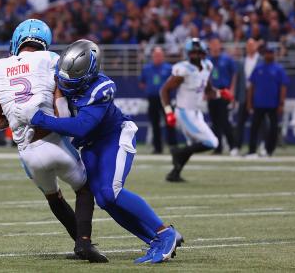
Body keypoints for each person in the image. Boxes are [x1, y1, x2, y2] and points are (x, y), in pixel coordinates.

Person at [16, 39, 183, 264]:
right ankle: (155, 239)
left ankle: (165, 233)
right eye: (62, 76)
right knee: (105, 200)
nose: (63, 82)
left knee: (111, 191)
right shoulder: (60, 74)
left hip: (114, 137)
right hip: (90, 144)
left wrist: (39, 119)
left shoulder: (101, 88)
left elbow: (81, 126)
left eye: (71, 78)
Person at [0, 20, 107, 263]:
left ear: (17, 40)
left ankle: (79, 244)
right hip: (54, 143)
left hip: (28, 154)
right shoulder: (50, 59)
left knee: (54, 197)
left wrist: (3, 108)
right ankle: (84, 243)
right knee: (84, 189)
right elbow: (62, 115)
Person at [160, 38, 233, 182]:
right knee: (212, 142)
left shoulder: (207, 66)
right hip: (184, 112)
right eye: (193, 52)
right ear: (188, 54)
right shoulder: (184, 70)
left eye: (199, 52)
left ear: (204, 53)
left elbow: (208, 90)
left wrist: (221, 93)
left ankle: (174, 173)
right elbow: (164, 90)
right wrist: (169, 112)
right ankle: (177, 152)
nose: (196, 55)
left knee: (193, 145)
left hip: (196, 112)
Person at [246, 45, 289, 157]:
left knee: (273, 128)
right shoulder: (258, 68)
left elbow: (283, 87)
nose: (268, 55)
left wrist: (281, 103)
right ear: (264, 54)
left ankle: (269, 150)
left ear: (273, 54)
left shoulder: (279, 69)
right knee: (254, 127)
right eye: (267, 53)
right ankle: (252, 150)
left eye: (270, 53)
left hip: (273, 104)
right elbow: (251, 86)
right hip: (258, 103)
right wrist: (249, 102)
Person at [139, 46, 176, 154]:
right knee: (155, 124)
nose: (158, 57)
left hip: (166, 100)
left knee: (170, 122)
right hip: (153, 99)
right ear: (152, 56)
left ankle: (173, 146)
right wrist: (151, 89)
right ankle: (157, 148)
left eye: (159, 55)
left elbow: (174, 82)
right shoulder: (147, 68)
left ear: (163, 56)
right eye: (156, 55)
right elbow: (142, 82)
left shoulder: (169, 68)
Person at [207, 37, 237, 154]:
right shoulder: (208, 61)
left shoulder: (227, 59)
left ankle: (232, 146)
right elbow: (206, 77)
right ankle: (217, 147)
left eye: (216, 44)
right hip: (212, 93)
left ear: (220, 46)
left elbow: (234, 74)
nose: (215, 47)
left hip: (224, 92)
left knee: (224, 120)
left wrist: (232, 90)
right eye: (212, 45)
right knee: (214, 122)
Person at [234, 38, 260, 155]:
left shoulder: (261, 60)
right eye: (248, 45)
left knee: (260, 122)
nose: (250, 47)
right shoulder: (241, 61)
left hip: (258, 95)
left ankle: (262, 144)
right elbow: (239, 80)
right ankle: (237, 146)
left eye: (252, 45)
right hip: (243, 95)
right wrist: (236, 96)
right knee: (240, 122)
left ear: (256, 46)